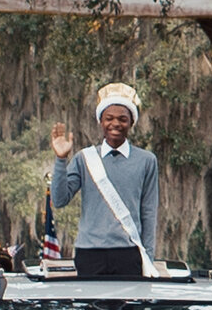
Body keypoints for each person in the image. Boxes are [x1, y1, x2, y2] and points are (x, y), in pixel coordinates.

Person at [49, 82, 160, 277]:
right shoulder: (84, 158)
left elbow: (149, 212)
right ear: (101, 121)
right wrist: (60, 159)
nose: (115, 124)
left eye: (122, 119)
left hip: (129, 253)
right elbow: (59, 200)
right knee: (91, 308)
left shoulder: (146, 160)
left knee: (128, 309)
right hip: (90, 253)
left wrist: (148, 257)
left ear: (131, 122)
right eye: (109, 118)